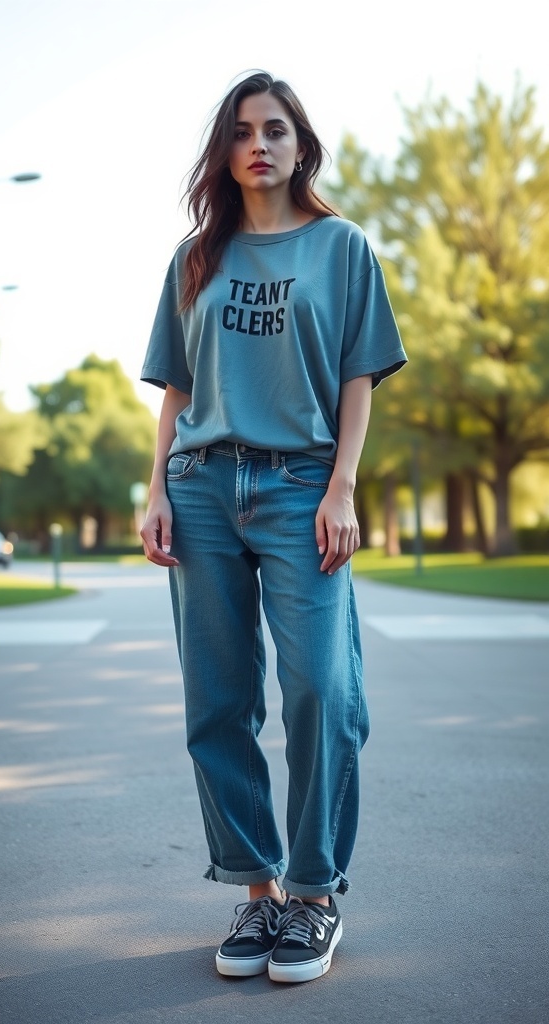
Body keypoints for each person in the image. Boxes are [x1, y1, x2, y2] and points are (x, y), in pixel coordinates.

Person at [140, 70, 407, 984]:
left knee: (323, 693)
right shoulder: (195, 258)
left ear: (302, 147)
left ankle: (314, 895)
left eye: (278, 129)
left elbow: (357, 376)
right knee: (216, 701)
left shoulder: (342, 249)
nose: (261, 143)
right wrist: (156, 491)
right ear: (225, 151)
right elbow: (177, 387)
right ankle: (257, 898)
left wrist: (343, 486)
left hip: (301, 488)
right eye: (244, 131)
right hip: (203, 485)